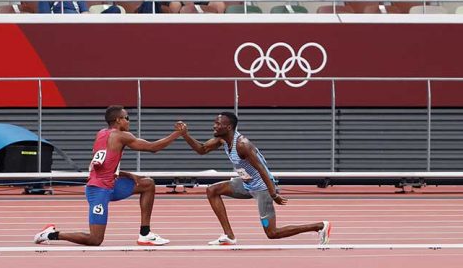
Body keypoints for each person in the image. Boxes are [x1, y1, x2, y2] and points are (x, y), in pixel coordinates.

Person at [34, 105, 186, 246]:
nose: (129, 121)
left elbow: (105, 163)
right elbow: (153, 147)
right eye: (127, 118)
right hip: (98, 190)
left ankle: (145, 234)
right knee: (95, 239)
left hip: (112, 184)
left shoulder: (101, 133)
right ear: (118, 120)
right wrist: (177, 134)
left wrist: (128, 174)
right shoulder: (122, 135)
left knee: (147, 184)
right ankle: (51, 234)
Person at [178, 112, 331, 245]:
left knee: (272, 233)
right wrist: (185, 135)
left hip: (263, 188)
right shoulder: (222, 140)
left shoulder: (242, 145)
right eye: (215, 123)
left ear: (228, 127)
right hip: (246, 184)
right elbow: (202, 149)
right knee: (212, 190)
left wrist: (273, 194)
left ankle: (320, 226)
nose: (214, 126)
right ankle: (229, 236)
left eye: (218, 124)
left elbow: (262, 169)